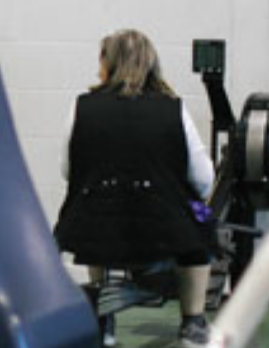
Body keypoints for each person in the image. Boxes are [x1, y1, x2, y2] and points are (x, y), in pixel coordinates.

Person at [54, 29, 215, 348]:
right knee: (202, 223)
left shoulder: (81, 107)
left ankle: (103, 315)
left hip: (95, 230)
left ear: (110, 64)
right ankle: (192, 321)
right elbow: (204, 179)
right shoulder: (174, 109)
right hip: (164, 230)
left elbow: (68, 172)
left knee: (92, 206)